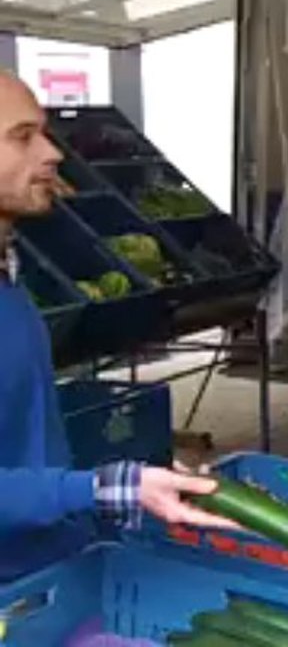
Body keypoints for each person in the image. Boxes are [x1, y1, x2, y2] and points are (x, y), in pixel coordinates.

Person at [0, 71, 235, 582]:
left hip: (50, 566)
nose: (52, 152)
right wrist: (100, 488)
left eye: (43, 131)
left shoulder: (10, 274)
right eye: (22, 137)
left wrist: (115, 493)